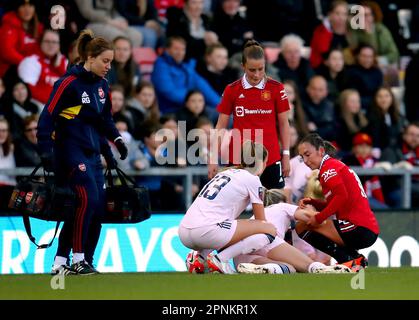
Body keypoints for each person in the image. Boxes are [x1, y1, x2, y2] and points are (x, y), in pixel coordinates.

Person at [37, 29, 128, 275]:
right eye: (105, 61)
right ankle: (77, 259)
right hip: (69, 152)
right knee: (87, 199)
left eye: (111, 62)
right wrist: (45, 151)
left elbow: (103, 121)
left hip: (91, 154)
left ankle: (64, 262)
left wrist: (115, 142)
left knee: (95, 206)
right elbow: (47, 117)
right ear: (90, 58)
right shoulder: (67, 83)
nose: (109, 66)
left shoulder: (102, 86)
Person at [180, 140, 277, 274]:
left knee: (226, 224)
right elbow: (261, 220)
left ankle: (198, 257)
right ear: (262, 162)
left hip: (184, 231)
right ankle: (220, 259)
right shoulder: (253, 179)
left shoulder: (225, 173)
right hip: (206, 232)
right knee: (269, 229)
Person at [208, 40, 291, 190]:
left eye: (261, 69)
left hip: (270, 158)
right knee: (234, 207)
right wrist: (213, 158)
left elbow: (285, 124)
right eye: (252, 70)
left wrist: (286, 154)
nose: (257, 74)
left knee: (274, 208)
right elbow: (220, 126)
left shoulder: (276, 89)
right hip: (238, 159)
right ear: (243, 66)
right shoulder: (232, 90)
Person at [295, 133, 380, 272]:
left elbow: (341, 197)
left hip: (357, 227)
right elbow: (337, 201)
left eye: (307, 154)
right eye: (302, 157)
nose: (305, 160)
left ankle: (349, 260)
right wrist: (314, 202)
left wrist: (318, 217)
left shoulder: (329, 169)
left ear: (321, 151)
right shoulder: (334, 166)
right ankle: (354, 260)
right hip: (366, 228)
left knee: (302, 226)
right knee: (305, 225)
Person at [233, 189, 351, 274]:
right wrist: (316, 212)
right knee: (309, 266)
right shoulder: (282, 206)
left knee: (289, 268)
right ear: (283, 201)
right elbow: (313, 218)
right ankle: (324, 270)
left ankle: (268, 269)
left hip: (240, 254)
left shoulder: (255, 215)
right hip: (267, 240)